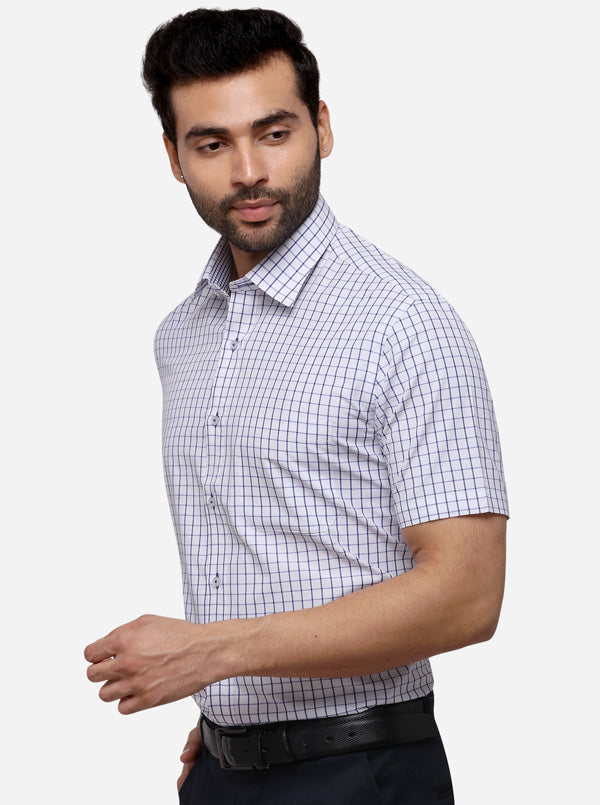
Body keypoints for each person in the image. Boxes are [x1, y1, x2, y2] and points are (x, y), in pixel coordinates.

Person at [84, 9, 509, 804]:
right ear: (174, 157)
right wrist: (233, 724)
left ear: (323, 127)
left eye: (274, 133)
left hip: (362, 773)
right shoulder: (183, 333)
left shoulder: (404, 322)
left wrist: (213, 653)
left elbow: (468, 595)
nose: (249, 170)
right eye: (212, 144)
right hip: (220, 768)